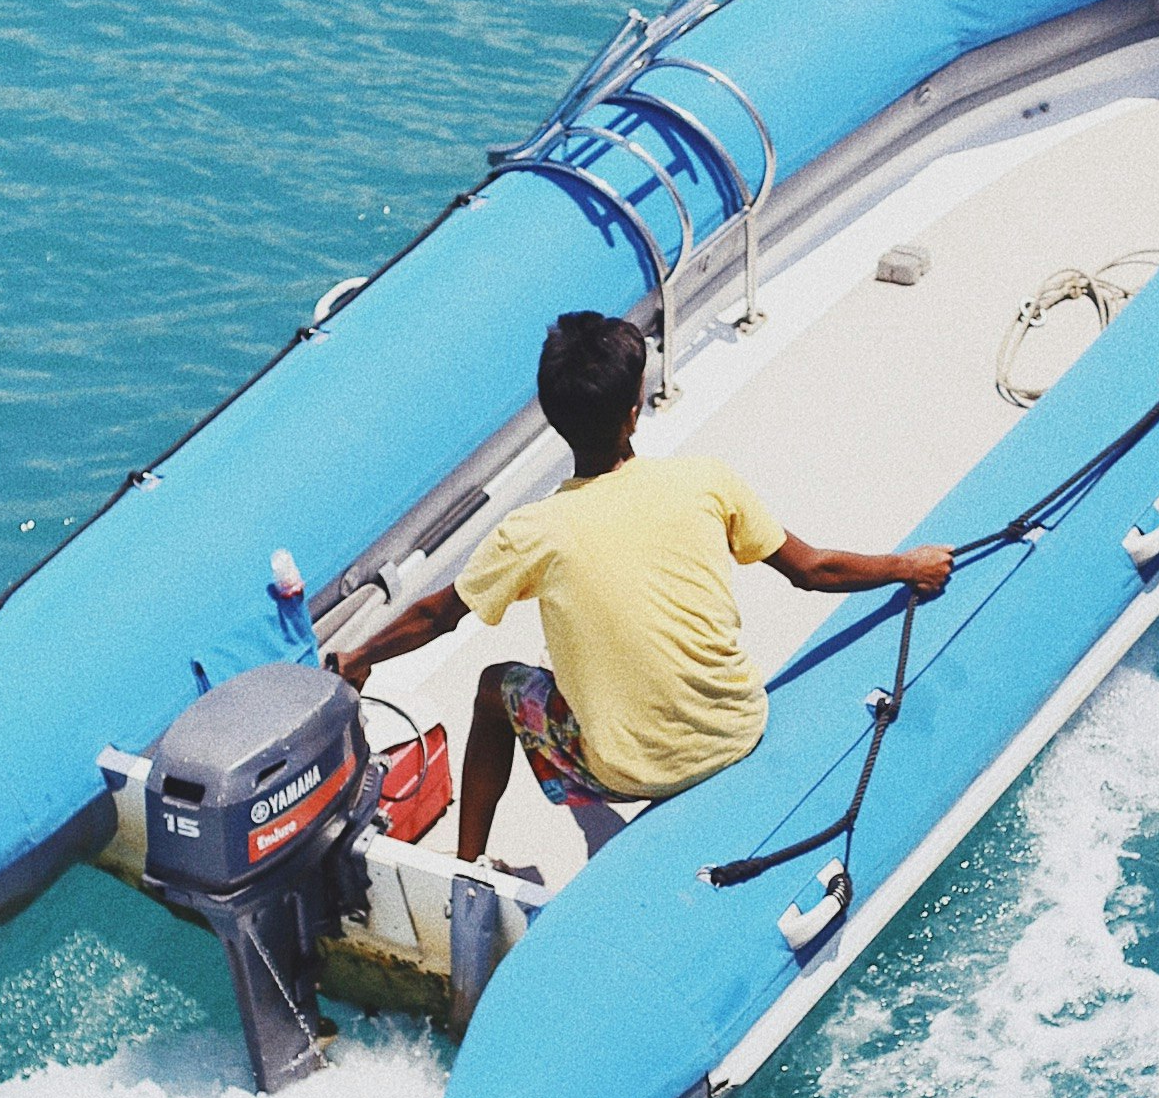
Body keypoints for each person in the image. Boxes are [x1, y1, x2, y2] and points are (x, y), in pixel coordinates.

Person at [331, 308, 953, 868]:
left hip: (629, 773)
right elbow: (813, 571)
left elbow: (438, 616)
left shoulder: (531, 532)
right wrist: (909, 566)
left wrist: (356, 660)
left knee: (497, 687)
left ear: (554, 419)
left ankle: (468, 866)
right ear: (634, 412)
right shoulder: (707, 483)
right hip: (737, 730)